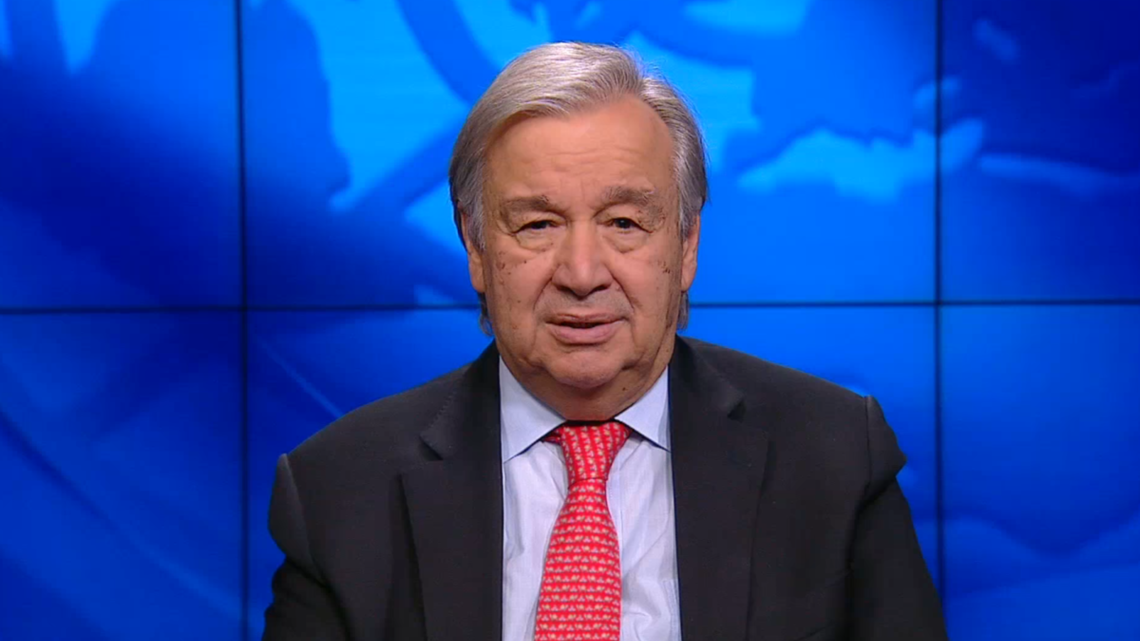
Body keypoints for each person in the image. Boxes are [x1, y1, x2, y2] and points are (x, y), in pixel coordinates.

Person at [262, 42, 948, 641]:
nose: (582, 273)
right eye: (537, 225)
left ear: (686, 244)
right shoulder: (336, 493)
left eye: (624, 223)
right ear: (475, 246)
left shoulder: (834, 457)